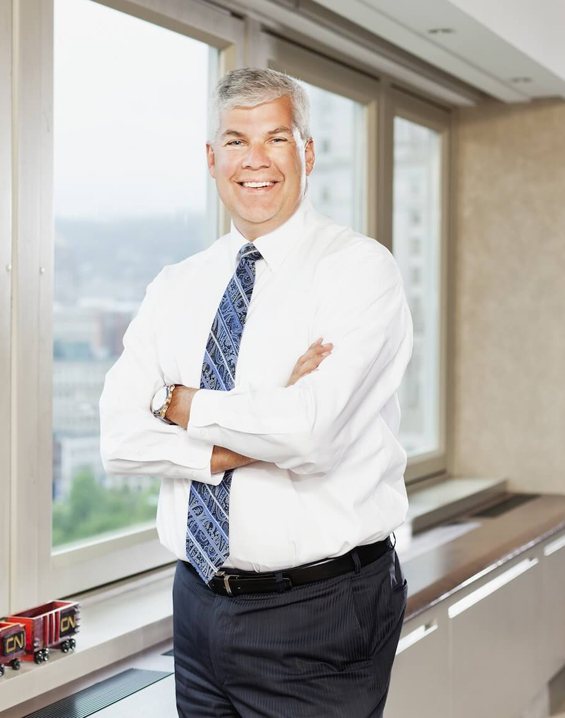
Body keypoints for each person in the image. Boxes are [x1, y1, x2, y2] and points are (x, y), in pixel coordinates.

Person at [98, 67, 414, 718]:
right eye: (236, 141)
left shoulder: (359, 272)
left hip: (319, 610)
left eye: (276, 137)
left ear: (308, 152)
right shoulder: (177, 286)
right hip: (197, 602)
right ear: (212, 159)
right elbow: (119, 437)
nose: (256, 160)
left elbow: (312, 432)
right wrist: (247, 435)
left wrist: (181, 404)